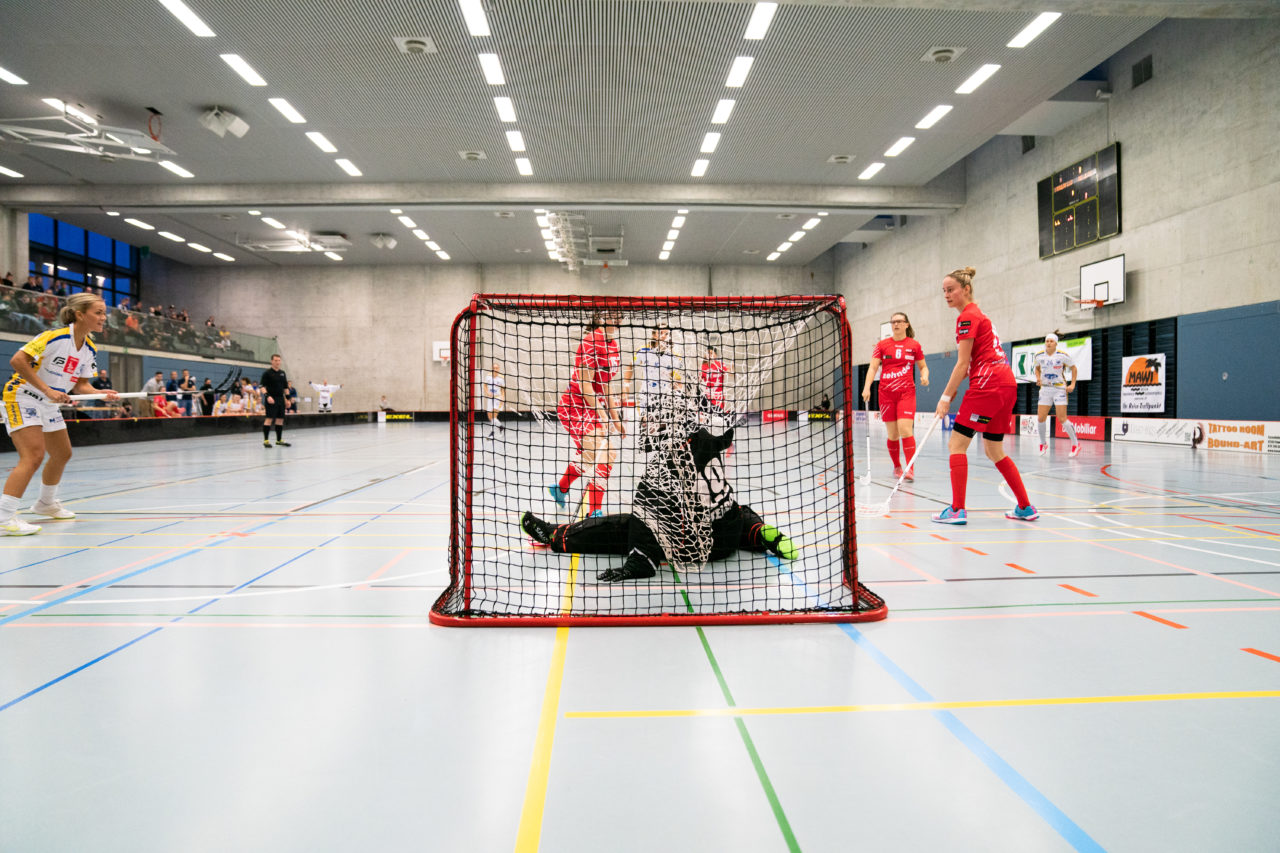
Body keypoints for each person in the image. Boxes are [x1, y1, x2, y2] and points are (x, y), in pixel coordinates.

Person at [522, 418, 795, 582]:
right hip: (726, 533)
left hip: (694, 540)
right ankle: (759, 533)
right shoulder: (708, 445)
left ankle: (556, 535)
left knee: (624, 527)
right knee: (735, 511)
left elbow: (648, 509)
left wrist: (641, 559)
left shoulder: (673, 459)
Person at [1, 293, 118, 535]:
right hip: (21, 397)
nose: (103, 318)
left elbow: (81, 386)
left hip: (48, 403)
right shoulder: (54, 337)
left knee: (62, 453)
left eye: (104, 313)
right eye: (98, 312)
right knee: (33, 456)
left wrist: (100, 392)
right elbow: (17, 360)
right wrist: (48, 390)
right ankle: (3, 517)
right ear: (79, 314)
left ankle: (45, 504)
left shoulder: (89, 347)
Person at [932, 266, 1037, 525]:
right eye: (944, 291)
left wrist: (945, 398)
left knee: (957, 445)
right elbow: (969, 365)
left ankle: (957, 510)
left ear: (966, 289)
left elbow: (961, 364)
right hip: (1006, 383)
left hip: (988, 384)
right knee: (993, 449)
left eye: (951, 290)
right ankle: (1024, 507)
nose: (946, 295)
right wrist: (955, 388)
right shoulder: (979, 315)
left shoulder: (967, 317)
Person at [549, 311, 624, 517]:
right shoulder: (591, 341)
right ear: (601, 317)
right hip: (575, 406)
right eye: (612, 314)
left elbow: (606, 385)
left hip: (593, 407)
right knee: (602, 452)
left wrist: (615, 420)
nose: (617, 319)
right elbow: (584, 384)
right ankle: (594, 513)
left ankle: (561, 488)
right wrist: (602, 415)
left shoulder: (614, 346)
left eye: (619, 315)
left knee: (598, 455)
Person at [862, 312, 929, 481]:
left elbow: (923, 367)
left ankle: (910, 468)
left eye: (899, 321)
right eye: (893, 322)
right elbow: (872, 368)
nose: (895, 324)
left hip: (906, 393)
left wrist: (925, 376)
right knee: (893, 434)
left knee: (905, 429)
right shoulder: (882, 345)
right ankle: (897, 466)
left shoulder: (914, 345)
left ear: (907, 324)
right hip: (886, 393)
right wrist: (867, 387)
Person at [624, 322, 681, 426]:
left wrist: (677, 396)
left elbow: (678, 380)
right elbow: (630, 366)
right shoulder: (643, 350)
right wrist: (626, 385)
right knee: (646, 425)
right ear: (654, 335)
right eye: (661, 333)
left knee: (663, 428)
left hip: (664, 398)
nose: (663, 336)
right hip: (646, 396)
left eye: (666, 334)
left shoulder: (674, 356)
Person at [1034, 332, 1081, 458]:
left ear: (1056, 343)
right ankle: (1043, 443)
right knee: (1040, 418)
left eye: (1051, 341)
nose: (1048, 343)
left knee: (1062, 419)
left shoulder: (1062, 356)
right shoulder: (1039, 356)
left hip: (1059, 389)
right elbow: (1037, 368)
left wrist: (1072, 384)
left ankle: (1076, 444)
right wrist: (1038, 378)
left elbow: (1074, 368)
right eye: (1047, 341)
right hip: (1045, 390)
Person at [259, 354, 290, 447]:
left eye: (279, 360)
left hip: (280, 399)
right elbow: (262, 387)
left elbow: (285, 387)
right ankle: (266, 441)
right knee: (269, 419)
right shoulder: (267, 373)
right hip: (271, 399)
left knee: (280, 419)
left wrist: (287, 399)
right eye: (276, 360)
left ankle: (279, 440)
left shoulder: (282, 373)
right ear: (271, 361)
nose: (277, 362)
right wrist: (267, 396)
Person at [700, 345, 733, 412]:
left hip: (718, 396)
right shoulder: (703, 366)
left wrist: (731, 368)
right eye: (707, 353)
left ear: (715, 355)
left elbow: (730, 373)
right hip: (708, 396)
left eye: (711, 353)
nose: (709, 355)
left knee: (717, 416)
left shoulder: (720, 364)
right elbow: (700, 379)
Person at [482, 363, 505, 437]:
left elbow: (503, 389)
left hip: (498, 398)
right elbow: (485, 385)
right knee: (489, 416)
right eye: (494, 368)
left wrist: (502, 397)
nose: (495, 369)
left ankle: (492, 432)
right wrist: (487, 392)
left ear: (499, 369)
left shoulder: (501, 378)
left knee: (493, 416)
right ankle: (501, 426)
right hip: (490, 398)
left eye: (497, 368)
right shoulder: (488, 376)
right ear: (492, 368)